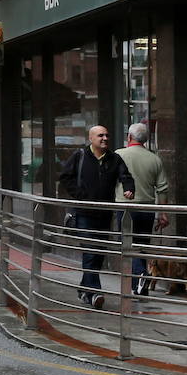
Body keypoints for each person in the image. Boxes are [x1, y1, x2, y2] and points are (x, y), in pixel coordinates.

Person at [59, 125, 135, 309]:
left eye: (107, 135)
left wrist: (128, 188)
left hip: (104, 214)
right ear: (91, 138)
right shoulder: (80, 156)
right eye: (100, 135)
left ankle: (84, 290)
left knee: (98, 254)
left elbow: (126, 176)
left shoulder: (114, 159)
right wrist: (80, 195)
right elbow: (65, 177)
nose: (105, 138)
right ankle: (95, 293)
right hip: (84, 213)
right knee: (91, 251)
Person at [115, 123, 170, 296]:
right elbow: (162, 188)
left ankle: (140, 275)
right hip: (146, 209)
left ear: (129, 137)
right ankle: (138, 286)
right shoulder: (154, 159)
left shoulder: (118, 155)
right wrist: (162, 213)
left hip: (124, 208)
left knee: (128, 246)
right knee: (142, 245)